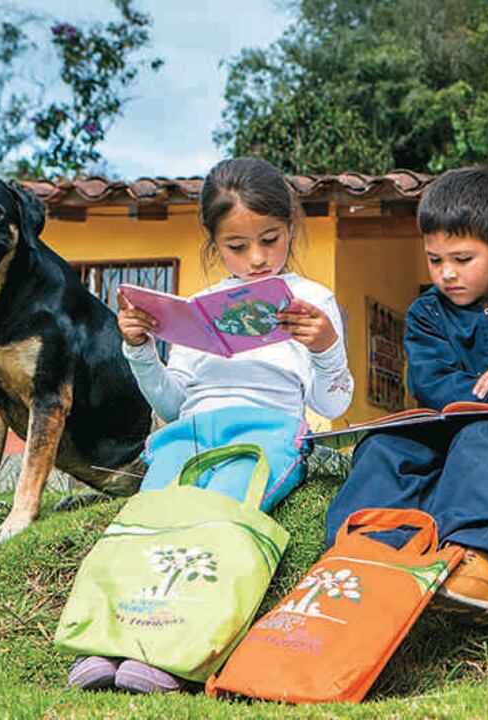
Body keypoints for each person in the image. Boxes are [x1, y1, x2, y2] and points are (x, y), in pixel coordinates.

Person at [68, 156, 354, 694]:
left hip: (266, 429)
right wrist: (142, 350)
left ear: (291, 225)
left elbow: (334, 403)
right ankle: (109, 642)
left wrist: (325, 347)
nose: (257, 259)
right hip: (191, 428)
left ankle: (175, 653)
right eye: (237, 247)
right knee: (152, 516)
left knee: (219, 520)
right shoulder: (197, 306)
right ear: (213, 242)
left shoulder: (313, 301)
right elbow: (174, 404)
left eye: (270, 240)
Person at [324, 167, 488, 623]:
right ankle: (358, 556)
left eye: (463, 259)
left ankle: (476, 561)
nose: (446, 273)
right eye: (435, 260)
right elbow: (434, 385)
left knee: (486, 437)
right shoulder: (426, 313)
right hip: (440, 434)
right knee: (382, 448)